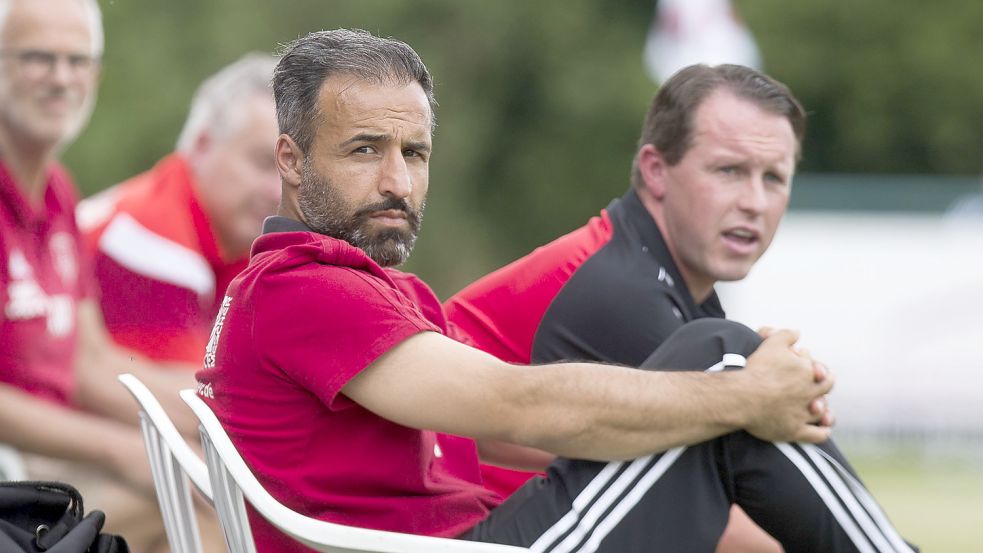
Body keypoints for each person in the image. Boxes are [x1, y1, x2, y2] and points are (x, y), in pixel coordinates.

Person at [196, 29, 915, 552]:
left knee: (715, 372)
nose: (397, 182)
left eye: (413, 153)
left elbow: (490, 432)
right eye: (364, 150)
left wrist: (713, 417)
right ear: (289, 159)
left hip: (472, 534)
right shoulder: (302, 287)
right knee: (721, 358)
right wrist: (743, 398)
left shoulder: (348, 286)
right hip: (466, 547)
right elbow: (517, 402)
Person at [443, 64, 806, 552]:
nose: (755, 202)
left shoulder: (653, 274)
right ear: (656, 171)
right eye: (729, 171)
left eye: (775, 178)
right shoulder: (620, 293)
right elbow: (736, 534)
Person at [0, 1, 216, 551]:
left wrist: (216, 412)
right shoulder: (153, 228)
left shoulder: (59, 194)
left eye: (78, 61)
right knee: (197, 494)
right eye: (38, 58)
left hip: (50, 456)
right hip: (17, 470)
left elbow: (88, 364)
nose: (61, 77)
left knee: (215, 472)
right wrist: (123, 449)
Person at [77, 53, 279, 366]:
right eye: (263, 163)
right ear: (201, 145)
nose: (277, 191)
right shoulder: (150, 236)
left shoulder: (234, 245)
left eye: (291, 172)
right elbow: (185, 407)